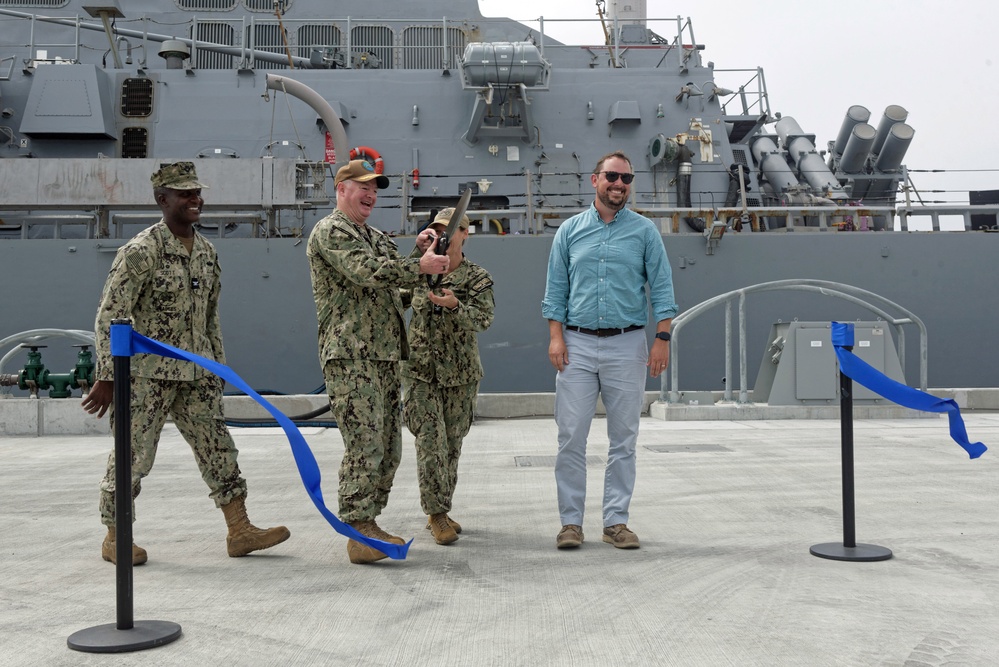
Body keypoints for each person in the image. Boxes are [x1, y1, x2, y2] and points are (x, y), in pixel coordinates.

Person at [82, 161, 290, 565]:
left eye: (197, 192)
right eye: (185, 194)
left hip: (196, 375)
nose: (195, 199)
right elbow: (111, 314)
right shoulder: (141, 252)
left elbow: (211, 318)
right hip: (146, 377)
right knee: (132, 457)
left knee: (219, 450)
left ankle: (240, 530)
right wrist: (108, 375)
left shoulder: (208, 253)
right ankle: (115, 537)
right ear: (163, 200)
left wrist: (217, 370)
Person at [306, 159, 448, 564]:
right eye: (362, 185)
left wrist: (419, 252)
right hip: (352, 355)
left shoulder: (375, 236)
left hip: (384, 354)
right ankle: (356, 527)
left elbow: (393, 287)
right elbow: (366, 272)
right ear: (341, 189)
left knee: (389, 445)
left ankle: (368, 522)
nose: (371, 193)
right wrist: (415, 266)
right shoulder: (332, 230)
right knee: (365, 442)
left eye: (375, 188)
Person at [541, 151, 678, 550]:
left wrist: (661, 339)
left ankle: (616, 521)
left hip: (627, 343)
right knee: (570, 437)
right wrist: (556, 336)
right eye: (612, 177)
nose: (619, 184)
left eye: (626, 178)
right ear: (594, 179)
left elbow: (663, 288)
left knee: (624, 439)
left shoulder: (645, 232)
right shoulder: (569, 231)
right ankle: (571, 523)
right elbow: (556, 291)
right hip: (577, 345)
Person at [402, 208, 495, 545]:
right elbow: (393, 294)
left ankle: (440, 507)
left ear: (464, 234)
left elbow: (484, 319)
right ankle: (436, 513)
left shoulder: (477, 277)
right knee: (430, 444)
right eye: (437, 229)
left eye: (450, 229)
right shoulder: (420, 272)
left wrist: (456, 307)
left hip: (461, 374)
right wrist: (417, 252)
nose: (443, 234)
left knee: (452, 445)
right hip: (421, 372)